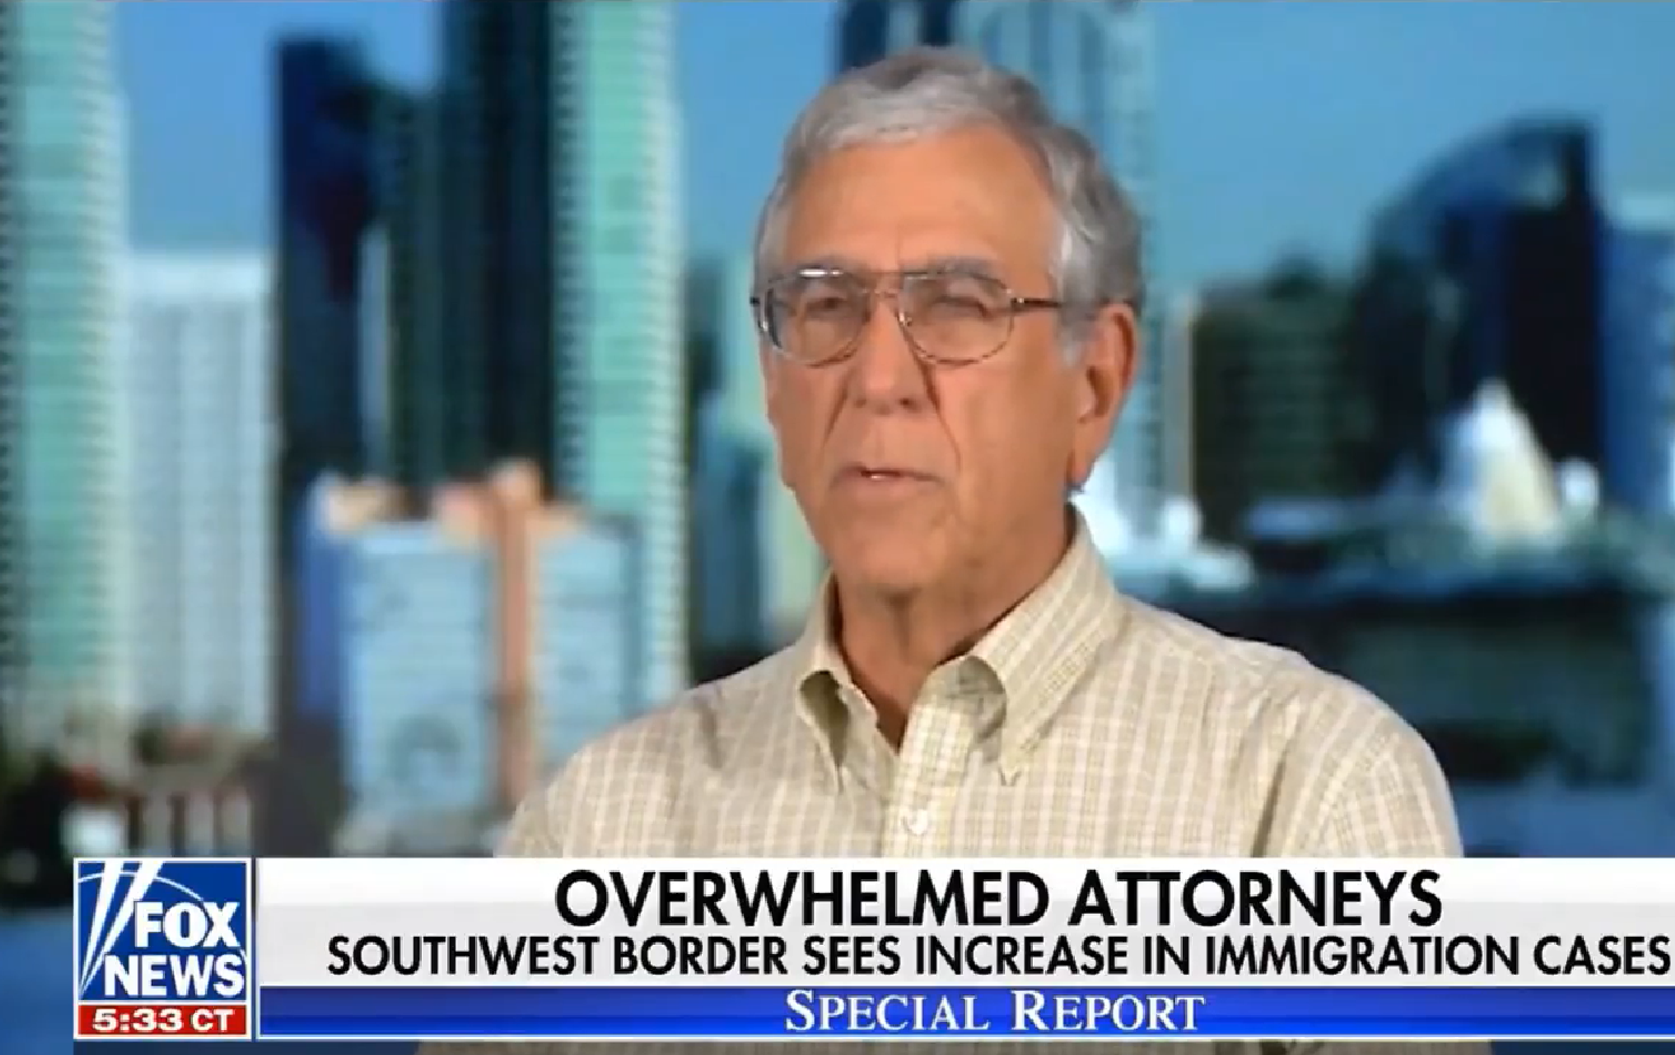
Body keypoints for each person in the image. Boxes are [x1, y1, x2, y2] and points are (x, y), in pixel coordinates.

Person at [429, 46, 1474, 1054]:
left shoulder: (1306, 790)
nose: (879, 378)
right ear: (774, 388)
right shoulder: (599, 826)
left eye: (958, 308)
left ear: (1094, 384)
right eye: (825, 307)